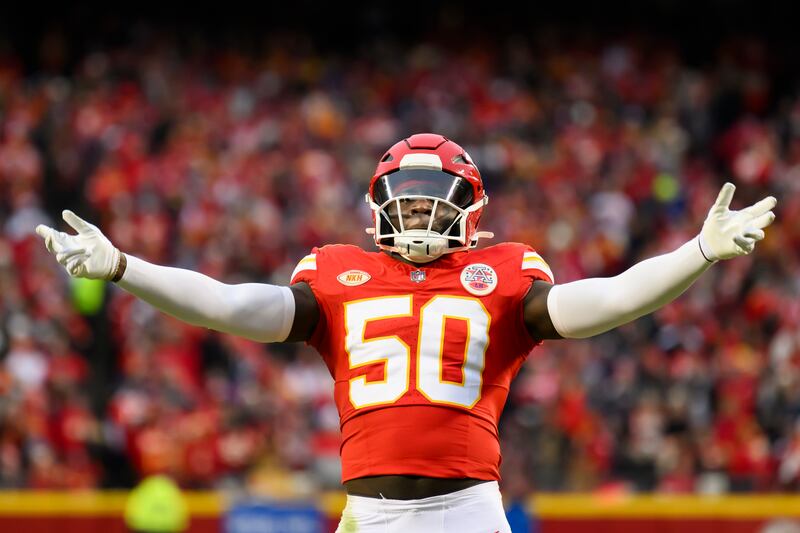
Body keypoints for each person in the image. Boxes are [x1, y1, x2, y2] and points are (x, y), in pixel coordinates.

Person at [36, 133, 777, 532]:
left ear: (468, 208)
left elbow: (607, 300)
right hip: (370, 516)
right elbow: (233, 305)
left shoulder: (505, 273)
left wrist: (699, 251)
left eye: (433, 202)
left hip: (467, 509)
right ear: (381, 205)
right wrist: (125, 265)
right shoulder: (335, 272)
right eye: (408, 202)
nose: (419, 214)